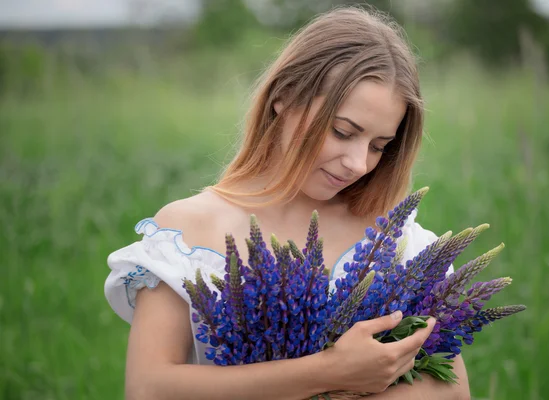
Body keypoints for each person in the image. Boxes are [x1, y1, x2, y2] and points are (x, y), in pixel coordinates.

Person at [104, 6, 470, 400]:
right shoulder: (190, 228)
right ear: (285, 96)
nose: (358, 163)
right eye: (343, 131)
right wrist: (328, 372)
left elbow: (451, 389)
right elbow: (148, 388)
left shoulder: (390, 237)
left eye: (379, 146)